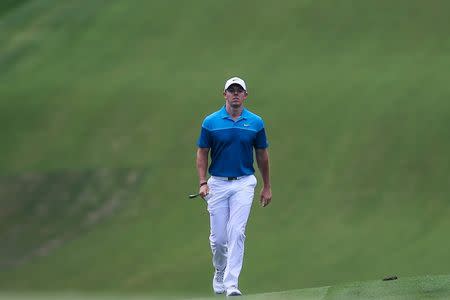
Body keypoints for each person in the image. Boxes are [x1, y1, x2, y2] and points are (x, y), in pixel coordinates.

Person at [196, 76, 272, 296]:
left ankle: (231, 283)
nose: (236, 94)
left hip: (244, 183)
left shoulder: (256, 123)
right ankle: (219, 270)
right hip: (217, 184)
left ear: (245, 95)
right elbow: (202, 152)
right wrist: (202, 182)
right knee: (219, 239)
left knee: (236, 232)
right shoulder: (211, 122)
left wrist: (267, 186)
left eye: (240, 91)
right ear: (225, 94)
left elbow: (262, 155)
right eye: (232, 90)